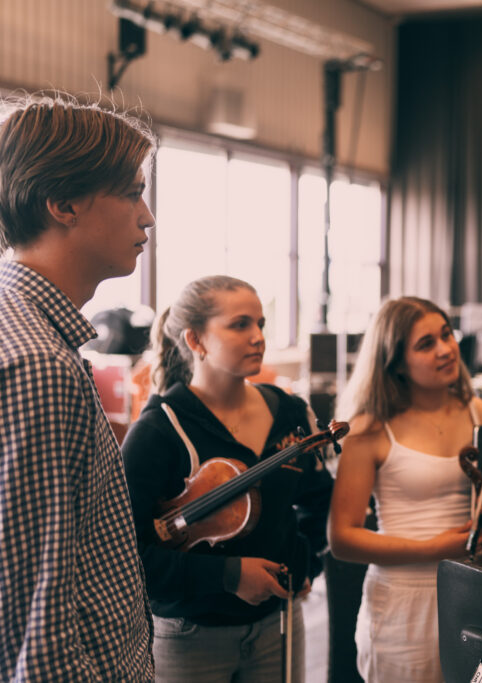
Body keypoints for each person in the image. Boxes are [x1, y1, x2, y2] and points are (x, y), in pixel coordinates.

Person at [0, 93, 156, 680]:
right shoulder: (39, 364)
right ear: (63, 203)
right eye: (132, 192)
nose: (147, 217)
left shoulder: (23, 329)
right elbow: (34, 621)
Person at [120, 275, 334, 682]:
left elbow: (318, 500)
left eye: (260, 324)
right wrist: (229, 576)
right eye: (240, 325)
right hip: (190, 636)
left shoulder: (289, 412)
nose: (258, 337)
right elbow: (128, 556)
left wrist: (303, 563)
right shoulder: (158, 431)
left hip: (278, 626)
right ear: (196, 341)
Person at [328, 296, 482, 682]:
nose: (446, 349)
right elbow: (342, 539)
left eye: (446, 335)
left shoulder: (476, 411)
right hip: (402, 605)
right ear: (396, 362)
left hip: (471, 598)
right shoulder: (369, 427)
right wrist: (434, 550)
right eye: (426, 344)